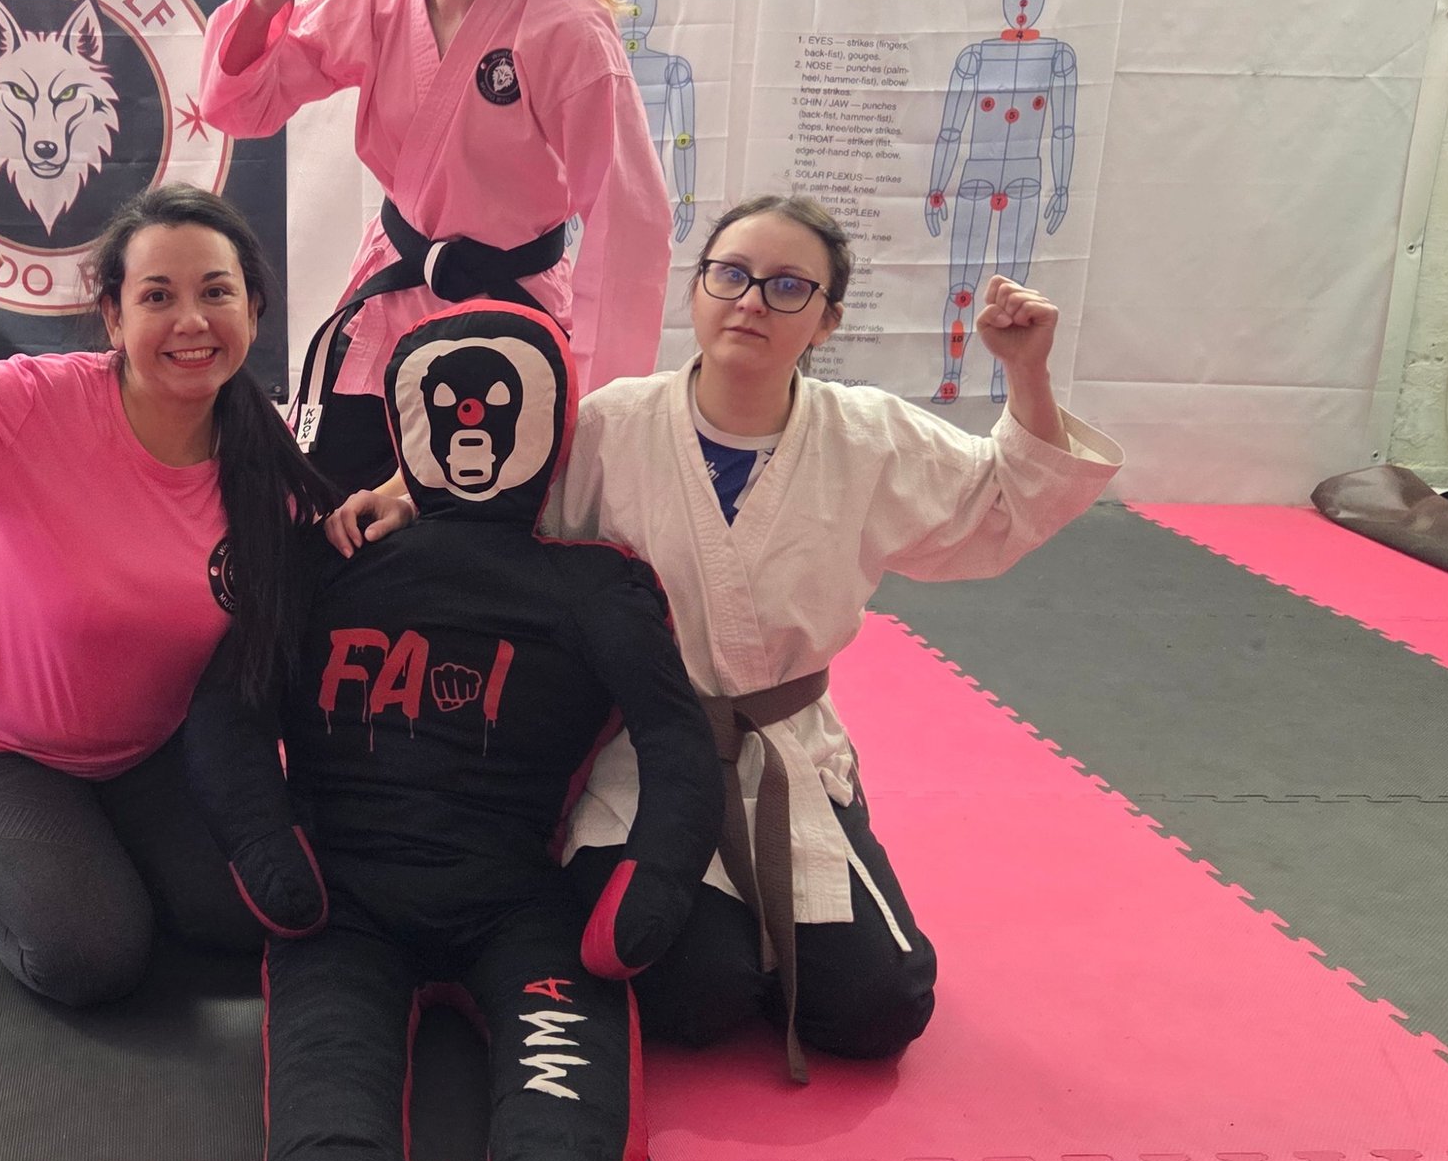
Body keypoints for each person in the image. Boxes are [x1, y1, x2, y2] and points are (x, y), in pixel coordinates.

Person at [333, 195, 1124, 1076]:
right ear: (698, 291)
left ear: (827, 317)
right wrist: (399, 496)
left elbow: (1006, 497)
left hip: (781, 749)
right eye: (731, 275)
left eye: (789, 287)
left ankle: (820, 875)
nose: (752, 301)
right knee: (694, 997)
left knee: (879, 1009)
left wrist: (1027, 371)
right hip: (641, 755)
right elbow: (493, 497)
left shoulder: (869, 437)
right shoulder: (612, 424)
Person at [188, 301, 721, 1161]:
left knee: (559, 1126)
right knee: (327, 1111)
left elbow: (677, 740)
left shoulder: (595, 589)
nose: (473, 425)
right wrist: (267, 848)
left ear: (545, 421)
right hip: (340, 903)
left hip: (521, 903)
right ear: (407, 418)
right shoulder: (321, 565)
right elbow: (225, 715)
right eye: (449, 404)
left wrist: (651, 885)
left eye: (495, 405)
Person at [0, 184, 339, 1007]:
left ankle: (78, 842)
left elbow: (339, 546)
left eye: (216, 292)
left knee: (247, 912)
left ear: (253, 308)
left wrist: (389, 503)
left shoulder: (269, 451)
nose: (191, 321)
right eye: (157, 296)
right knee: (93, 955)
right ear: (113, 317)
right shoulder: (33, 402)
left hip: (139, 752)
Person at [201, 0, 670, 494]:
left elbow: (630, 218)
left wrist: (599, 398)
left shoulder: (565, 30)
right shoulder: (377, 1)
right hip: (392, 300)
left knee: (478, 547)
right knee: (332, 505)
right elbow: (241, 104)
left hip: (512, 316)